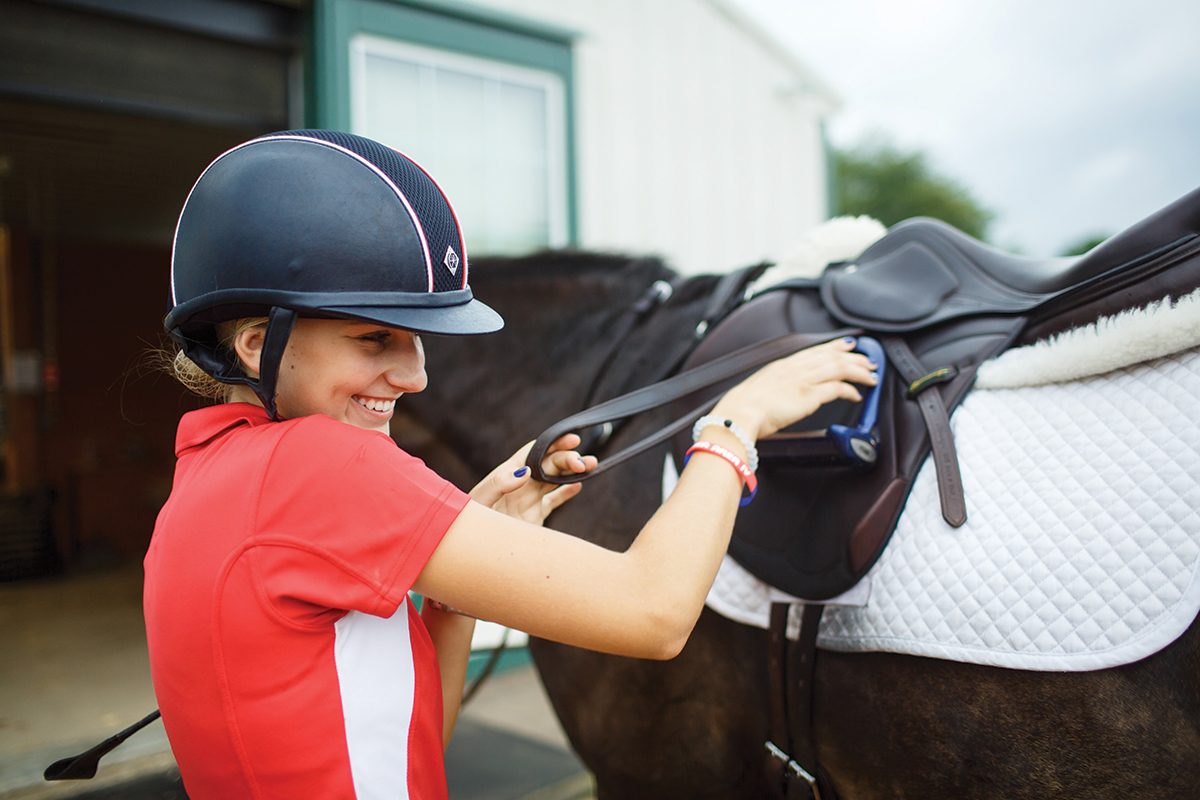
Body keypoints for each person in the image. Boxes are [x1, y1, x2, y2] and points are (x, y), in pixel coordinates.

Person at [143, 130, 877, 800]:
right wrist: (737, 423)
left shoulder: (206, 472)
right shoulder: (318, 464)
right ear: (252, 344)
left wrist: (457, 590)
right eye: (375, 340)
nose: (415, 375)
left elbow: (404, 744)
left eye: (419, 340)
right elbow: (654, 614)